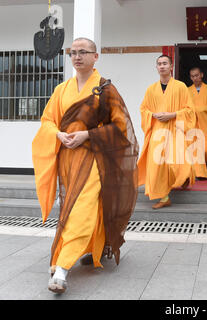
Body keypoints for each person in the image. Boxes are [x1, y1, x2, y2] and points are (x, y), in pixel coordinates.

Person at [32, 37, 139, 294]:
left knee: (81, 207)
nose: (77, 57)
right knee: (73, 206)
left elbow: (121, 127)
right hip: (68, 159)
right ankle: (95, 246)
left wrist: (88, 135)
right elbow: (47, 120)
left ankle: (62, 269)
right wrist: (58, 134)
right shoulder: (62, 89)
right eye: (73, 53)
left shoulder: (105, 89)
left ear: (95, 56)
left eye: (83, 52)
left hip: (94, 157)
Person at [137, 55, 196, 209]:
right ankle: (164, 197)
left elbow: (189, 110)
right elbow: (144, 109)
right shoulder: (151, 89)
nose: (162, 66)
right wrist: (153, 115)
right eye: (159, 64)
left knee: (176, 161)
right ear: (156, 68)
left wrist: (172, 114)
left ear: (171, 66)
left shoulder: (181, 87)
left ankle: (184, 176)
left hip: (176, 128)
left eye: (165, 63)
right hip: (157, 129)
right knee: (157, 164)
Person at [187, 67, 207, 179]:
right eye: (192, 76)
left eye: (197, 75)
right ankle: (199, 173)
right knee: (195, 148)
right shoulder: (187, 90)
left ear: (202, 75)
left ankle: (205, 168)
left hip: (206, 124)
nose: (195, 78)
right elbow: (185, 108)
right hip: (193, 125)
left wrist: (199, 110)